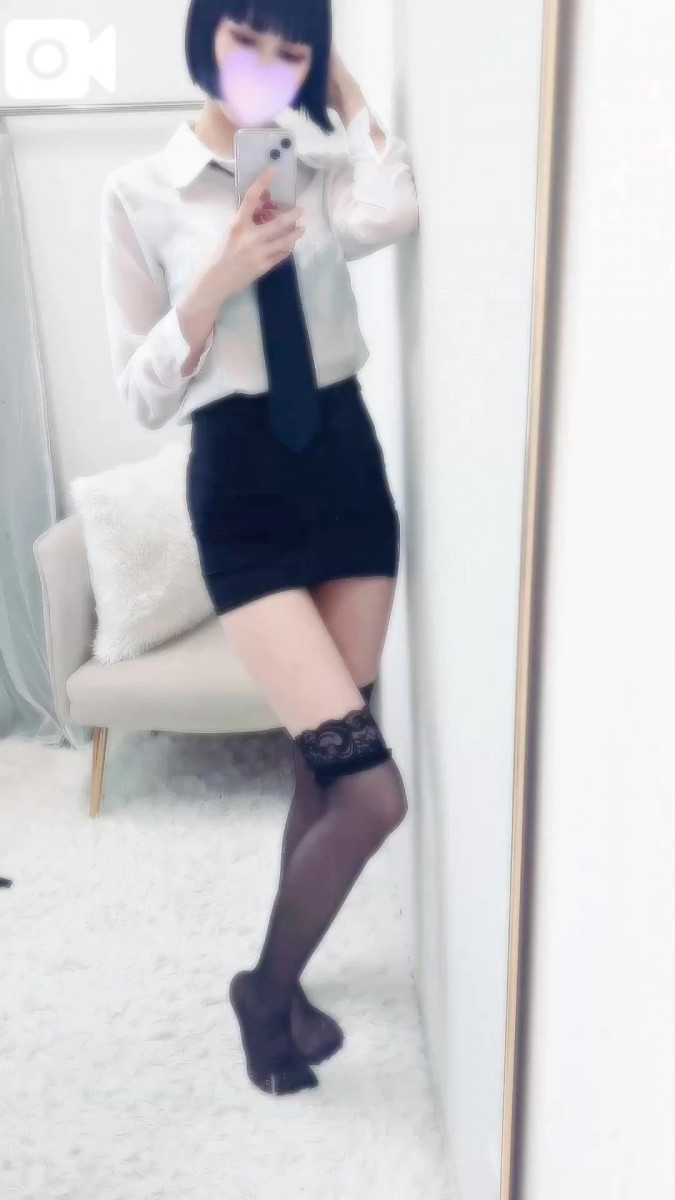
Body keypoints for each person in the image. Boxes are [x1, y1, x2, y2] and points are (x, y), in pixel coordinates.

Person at [99, 0, 419, 1097]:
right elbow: (140, 395)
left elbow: (392, 210)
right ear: (206, 38)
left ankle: (288, 989)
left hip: (344, 464)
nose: (266, 69)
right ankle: (262, 989)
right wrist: (216, 281)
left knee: (321, 768)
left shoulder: (317, 167)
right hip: (239, 485)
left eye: (294, 52)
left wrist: (351, 98)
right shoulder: (139, 191)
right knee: (371, 795)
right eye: (248, 41)